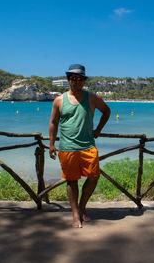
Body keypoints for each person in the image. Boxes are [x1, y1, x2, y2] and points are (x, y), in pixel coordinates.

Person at [49, 64, 111, 228]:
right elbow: (54, 123)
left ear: (84, 81)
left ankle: (82, 207)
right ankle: (75, 214)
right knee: (71, 181)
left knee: (93, 177)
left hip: (88, 145)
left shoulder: (91, 98)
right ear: (68, 80)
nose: (76, 82)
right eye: (73, 78)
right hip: (67, 147)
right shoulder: (59, 100)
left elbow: (106, 111)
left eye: (79, 79)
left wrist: (98, 129)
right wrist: (51, 144)